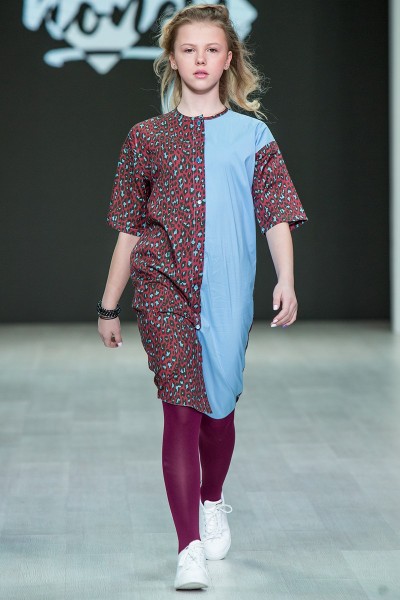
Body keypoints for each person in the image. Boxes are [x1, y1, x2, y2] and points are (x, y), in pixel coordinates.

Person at [97, 3, 307, 591]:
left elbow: (276, 213)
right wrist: (109, 304)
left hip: (229, 289)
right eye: (188, 49)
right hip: (162, 288)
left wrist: (285, 278)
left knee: (218, 411)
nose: (200, 59)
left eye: (211, 49)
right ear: (171, 58)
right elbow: (129, 228)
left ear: (228, 58)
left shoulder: (254, 135)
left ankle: (212, 499)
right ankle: (187, 545)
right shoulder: (146, 138)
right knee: (180, 408)